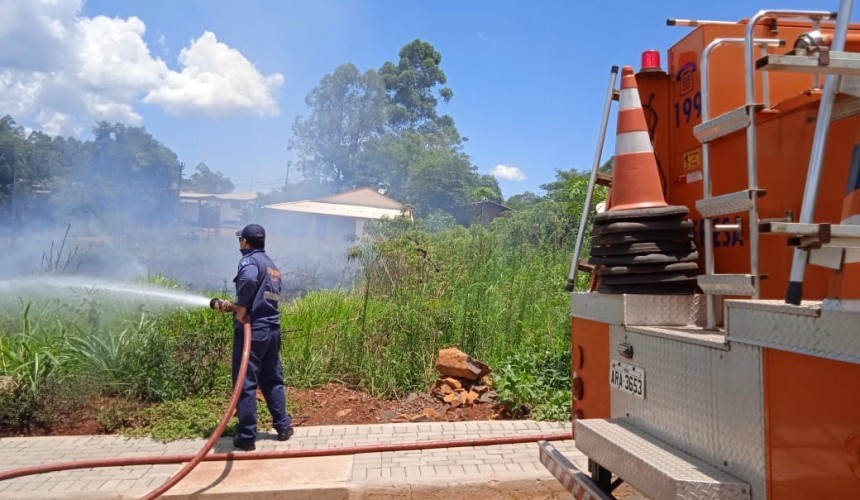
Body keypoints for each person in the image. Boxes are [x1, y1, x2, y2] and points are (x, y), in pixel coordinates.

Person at [230, 223, 293, 451]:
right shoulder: (272, 266)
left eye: (240, 240)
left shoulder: (249, 261)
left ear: (245, 241)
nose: (240, 244)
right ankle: (283, 426)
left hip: (253, 332)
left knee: (245, 382)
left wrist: (241, 307)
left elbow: (247, 281)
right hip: (272, 330)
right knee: (272, 379)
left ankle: (247, 436)